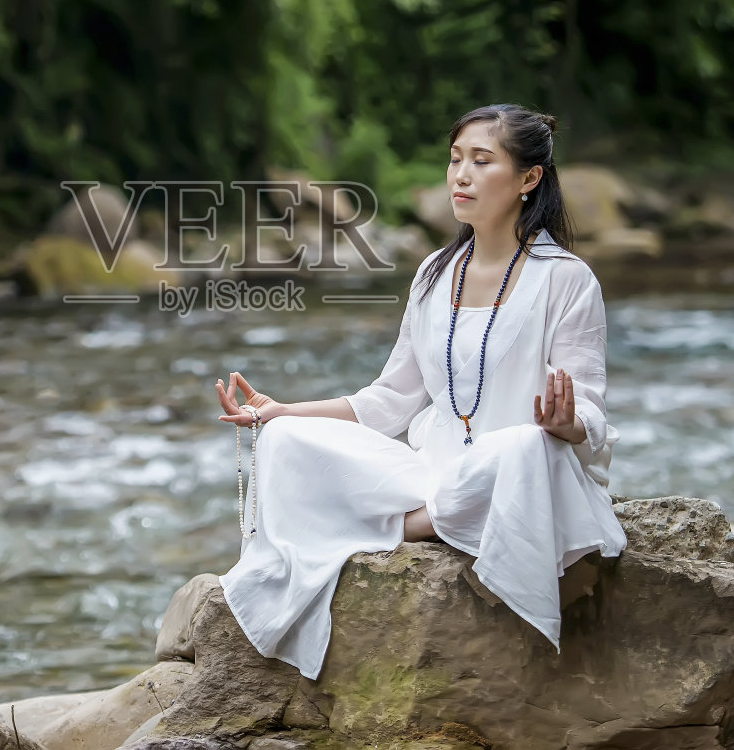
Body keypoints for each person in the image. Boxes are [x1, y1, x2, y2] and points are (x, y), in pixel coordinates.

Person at [211, 103, 627, 682]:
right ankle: (430, 515)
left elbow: (589, 407)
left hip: (519, 471)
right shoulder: (434, 271)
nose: (460, 175)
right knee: (285, 440)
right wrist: (281, 411)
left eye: (482, 161)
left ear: (529, 179)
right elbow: (390, 399)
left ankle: (406, 524)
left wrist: (568, 424)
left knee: (525, 448)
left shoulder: (566, 278)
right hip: (432, 471)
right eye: (456, 159)